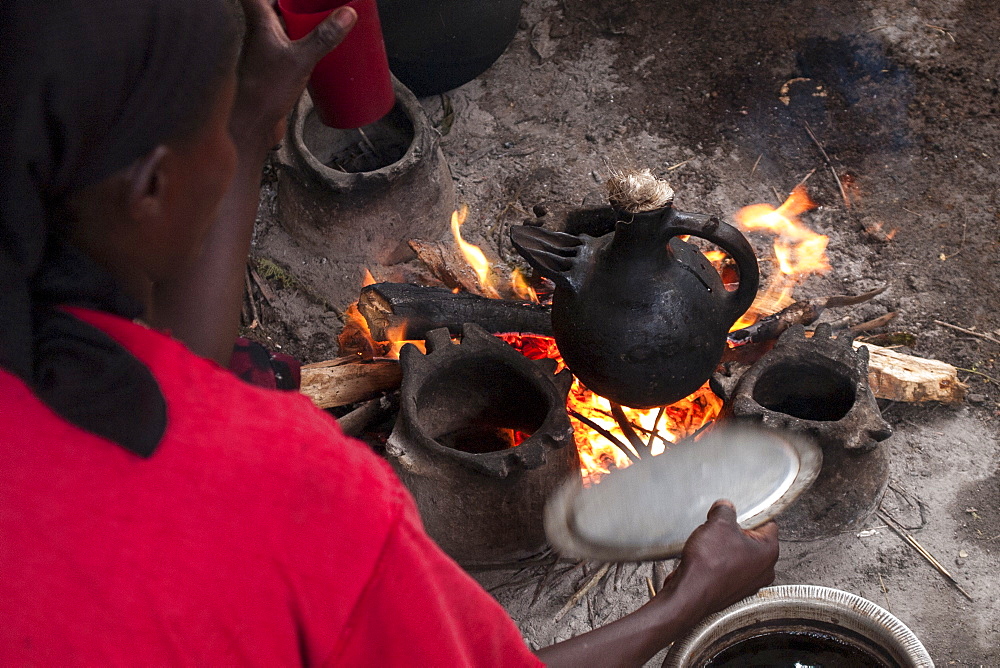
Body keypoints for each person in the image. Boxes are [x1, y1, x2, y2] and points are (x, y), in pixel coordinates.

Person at [0, 0, 779, 665]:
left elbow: (181, 371)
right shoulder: (293, 489)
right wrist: (688, 598)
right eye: (214, 130)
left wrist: (243, 125)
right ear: (152, 187)